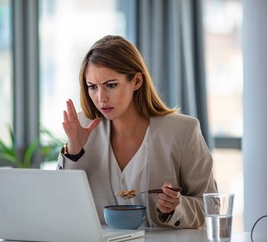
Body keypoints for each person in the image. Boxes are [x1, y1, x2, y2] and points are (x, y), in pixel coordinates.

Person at [57, 35, 217, 229]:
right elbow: (63, 204)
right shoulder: (82, 128)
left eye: (111, 85)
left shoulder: (182, 131)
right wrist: (74, 148)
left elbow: (211, 206)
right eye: (92, 87)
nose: (101, 98)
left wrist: (177, 207)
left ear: (137, 81)